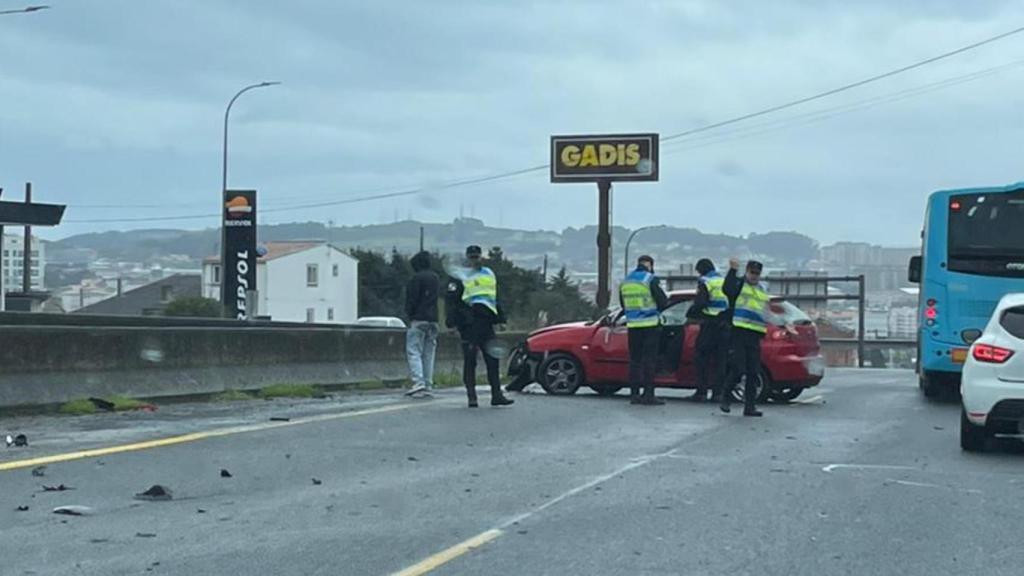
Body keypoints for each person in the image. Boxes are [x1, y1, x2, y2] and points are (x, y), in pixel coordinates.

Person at [446, 245, 514, 408]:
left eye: (477, 257)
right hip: (468, 323)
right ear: (467, 258)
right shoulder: (459, 276)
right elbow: (452, 302)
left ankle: (496, 395)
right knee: (470, 360)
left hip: (486, 322)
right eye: (472, 257)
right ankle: (472, 396)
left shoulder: (488, 274)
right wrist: (451, 323)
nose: (475, 259)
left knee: (493, 359)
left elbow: (493, 297)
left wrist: (501, 319)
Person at [619, 255, 669, 406]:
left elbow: (623, 304)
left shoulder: (626, 281)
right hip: (650, 325)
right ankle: (648, 394)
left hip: (633, 325)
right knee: (649, 361)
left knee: (635, 361)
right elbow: (663, 301)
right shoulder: (650, 279)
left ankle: (634, 394)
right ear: (650, 265)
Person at [721, 259, 768, 417]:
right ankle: (725, 396)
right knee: (738, 368)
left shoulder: (761, 289)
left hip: (754, 334)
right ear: (746, 271)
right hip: (738, 331)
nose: (754, 276)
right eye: (752, 273)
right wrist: (732, 271)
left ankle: (750, 407)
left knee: (753, 372)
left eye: (757, 274)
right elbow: (727, 289)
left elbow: (765, 311)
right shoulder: (739, 284)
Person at [686, 258, 737, 403]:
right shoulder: (722, 280)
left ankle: (701, 392)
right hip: (725, 325)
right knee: (721, 360)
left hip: (710, 324)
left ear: (701, 270)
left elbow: (700, 303)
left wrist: (691, 313)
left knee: (701, 358)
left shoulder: (705, 281)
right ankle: (718, 393)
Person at [404, 251, 440, 398]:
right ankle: (428, 383)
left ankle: (418, 382)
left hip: (419, 319)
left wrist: (409, 314)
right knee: (428, 353)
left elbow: (412, 299)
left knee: (414, 351)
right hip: (433, 320)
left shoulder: (416, 278)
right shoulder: (435, 278)